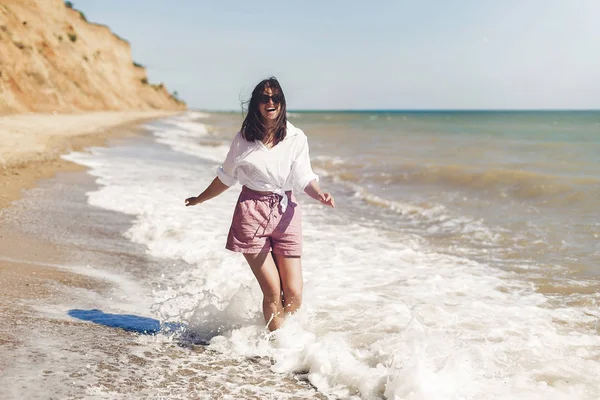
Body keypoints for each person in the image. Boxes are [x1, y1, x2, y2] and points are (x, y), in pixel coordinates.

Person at [185, 77, 335, 331]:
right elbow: (226, 177)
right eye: (264, 98)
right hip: (251, 214)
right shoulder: (243, 140)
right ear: (256, 104)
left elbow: (304, 176)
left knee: (295, 293)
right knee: (273, 293)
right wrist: (200, 198)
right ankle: (275, 351)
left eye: (275, 97)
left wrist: (319, 193)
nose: (270, 102)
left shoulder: (296, 137)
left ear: (282, 103)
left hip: (287, 213)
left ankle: (287, 341)